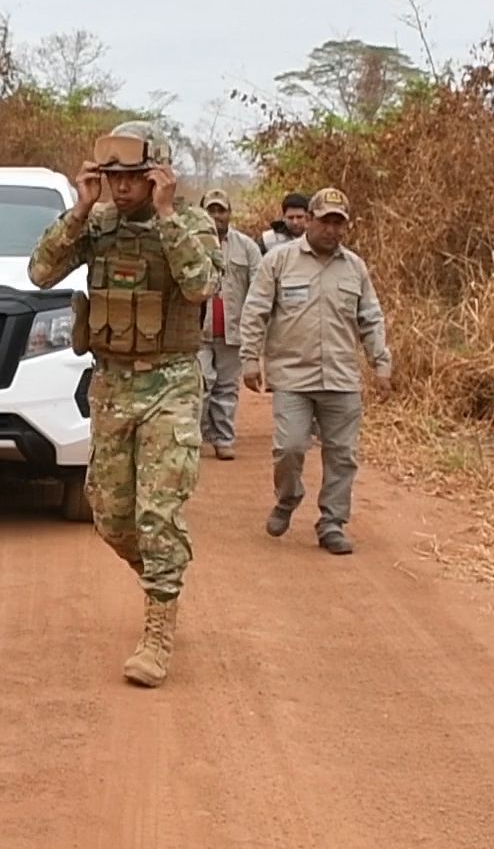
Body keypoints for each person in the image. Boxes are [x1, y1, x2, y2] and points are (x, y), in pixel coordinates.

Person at [27, 119, 222, 687]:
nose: (120, 187)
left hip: (171, 383)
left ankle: (158, 628)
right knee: (111, 515)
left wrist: (164, 219)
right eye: (111, 177)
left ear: (158, 176)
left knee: (157, 512)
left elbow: (201, 287)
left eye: (132, 177)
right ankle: (165, 577)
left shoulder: (189, 225)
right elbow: (40, 272)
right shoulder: (99, 224)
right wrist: (80, 211)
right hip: (112, 384)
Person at [237, 187, 392, 557]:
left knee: (342, 455)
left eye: (340, 223)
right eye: (326, 221)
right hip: (293, 376)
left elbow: (370, 318)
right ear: (308, 220)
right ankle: (288, 498)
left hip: (341, 378)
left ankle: (332, 523)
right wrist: (248, 358)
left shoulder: (354, 267)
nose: (332, 230)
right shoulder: (279, 262)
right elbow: (256, 309)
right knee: (289, 447)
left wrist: (381, 362)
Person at [196, 188, 262, 460]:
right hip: (197, 331)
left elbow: (260, 288)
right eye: (210, 210)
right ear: (201, 213)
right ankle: (195, 438)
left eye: (220, 210)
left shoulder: (247, 248)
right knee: (201, 384)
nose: (216, 216)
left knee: (226, 389)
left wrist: (256, 332)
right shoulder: (190, 243)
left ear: (229, 214)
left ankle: (223, 439)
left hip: (233, 331)